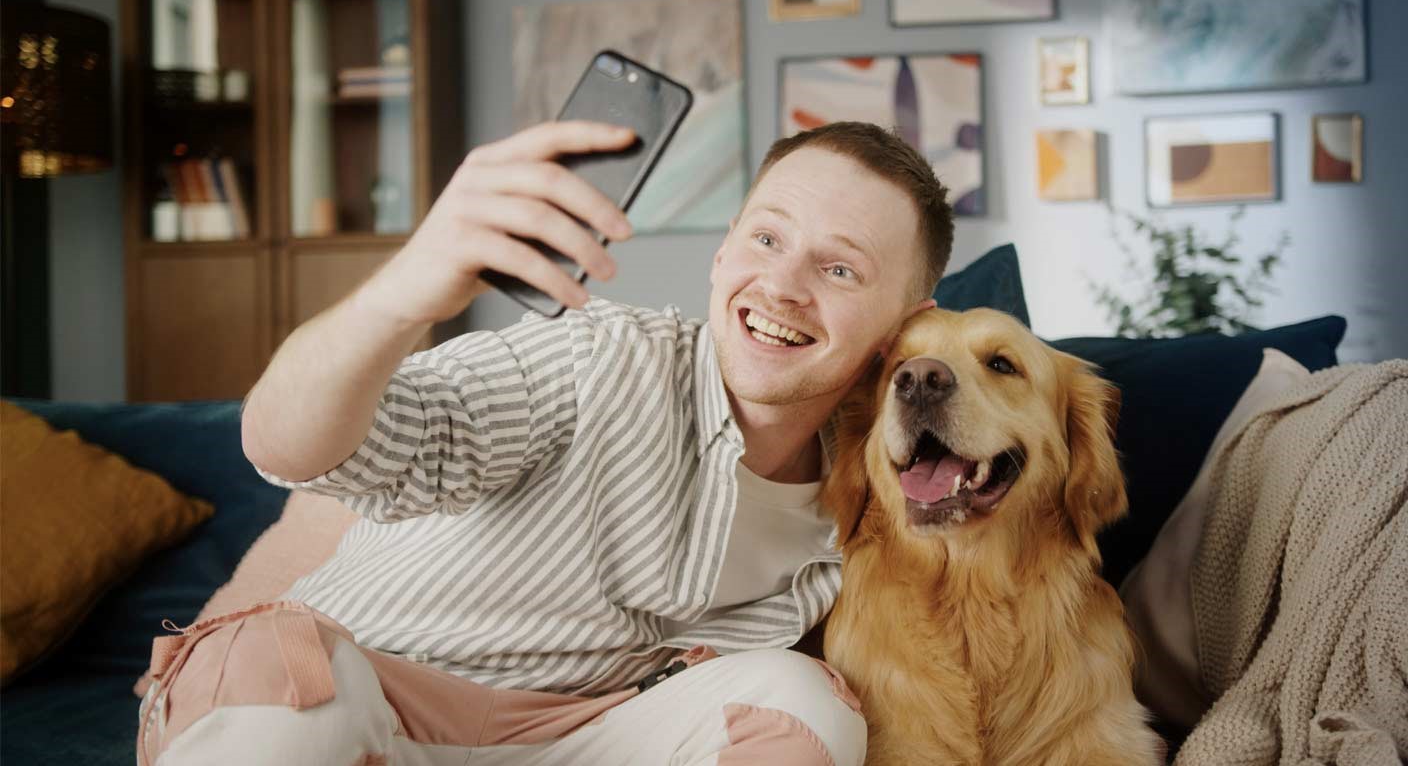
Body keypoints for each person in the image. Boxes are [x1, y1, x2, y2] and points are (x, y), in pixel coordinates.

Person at [136, 119, 954, 766]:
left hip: (577, 740)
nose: (781, 285)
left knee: (805, 706)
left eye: (840, 270)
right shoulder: (589, 360)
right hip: (359, 703)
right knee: (276, 667)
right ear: (725, 247)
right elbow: (290, 448)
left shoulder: (882, 496)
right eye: (767, 239)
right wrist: (404, 293)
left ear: (905, 332)